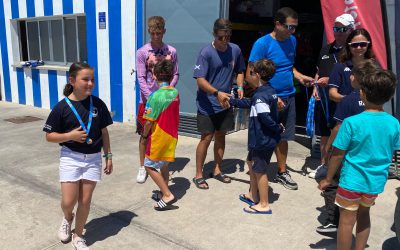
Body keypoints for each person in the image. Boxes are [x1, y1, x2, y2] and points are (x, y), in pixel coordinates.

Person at [319, 68, 400, 250]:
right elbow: (393, 150)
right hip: (375, 182)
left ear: (362, 93)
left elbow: (338, 154)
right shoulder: (394, 123)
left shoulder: (351, 123)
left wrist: (328, 178)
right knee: (364, 215)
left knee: (346, 222)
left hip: (351, 181)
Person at [43, 62, 113, 249]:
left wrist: (108, 156)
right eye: (85, 79)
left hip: (93, 159)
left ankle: (78, 235)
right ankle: (68, 218)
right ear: (72, 80)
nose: (90, 83)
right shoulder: (61, 107)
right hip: (70, 157)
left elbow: (104, 132)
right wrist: (69, 136)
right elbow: (49, 136)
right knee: (68, 201)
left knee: (85, 200)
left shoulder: (97, 104)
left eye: (92, 80)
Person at [245, 7, 314, 190]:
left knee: (283, 137)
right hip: (269, 100)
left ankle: (282, 172)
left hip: (289, 96)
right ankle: (258, 173)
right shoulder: (262, 43)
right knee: (265, 138)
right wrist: (270, 97)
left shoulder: (292, 41)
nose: (293, 31)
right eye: (290, 27)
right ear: (277, 24)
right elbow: (250, 76)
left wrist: (299, 76)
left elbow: (289, 67)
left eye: (295, 27)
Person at [316, 60, 379, 234]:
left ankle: (333, 220)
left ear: (356, 79)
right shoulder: (376, 103)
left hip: (346, 155)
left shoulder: (349, 99)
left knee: (329, 181)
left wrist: (328, 147)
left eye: (352, 73)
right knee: (361, 204)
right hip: (366, 157)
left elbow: (337, 128)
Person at [192, 18, 246, 189]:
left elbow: (240, 70)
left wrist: (239, 86)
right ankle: (199, 174)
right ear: (214, 34)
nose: (225, 40)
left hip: (225, 103)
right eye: (221, 37)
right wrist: (216, 93)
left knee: (221, 135)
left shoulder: (235, 50)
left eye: (228, 37)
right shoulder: (206, 53)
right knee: (207, 137)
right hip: (207, 103)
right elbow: (200, 81)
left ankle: (217, 170)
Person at [231, 59, 284, 213]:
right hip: (261, 139)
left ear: (258, 75)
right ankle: (252, 195)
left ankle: (264, 204)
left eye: (252, 73)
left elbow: (265, 118)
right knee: (250, 162)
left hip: (262, 139)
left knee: (260, 171)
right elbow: (251, 104)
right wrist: (232, 101)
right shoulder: (269, 90)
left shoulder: (261, 95)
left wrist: (277, 128)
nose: (250, 75)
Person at [308, 13, 355, 179]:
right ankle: (324, 166)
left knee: (343, 135)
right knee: (324, 134)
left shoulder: (353, 51)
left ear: (350, 30)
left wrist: (331, 80)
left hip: (344, 101)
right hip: (324, 100)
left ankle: (342, 170)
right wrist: (315, 86)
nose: (338, 32)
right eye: (336, 28)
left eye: (342, 29)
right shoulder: (325, 49)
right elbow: (319, 71)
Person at [136, 16, 179, 184]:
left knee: (162, 134)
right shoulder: (142, 52)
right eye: (153, 33)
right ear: (149, 32)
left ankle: (161, 165)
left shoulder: (172, 51)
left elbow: (175, 73)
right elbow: (140, 77)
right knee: (144, 133)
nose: (156, 37)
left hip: (166, 99)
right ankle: (142, 166)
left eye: (159, 33)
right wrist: (151, 97)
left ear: (164, 32)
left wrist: (168, 92)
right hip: (147, 100)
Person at [141, 60, 180, 211]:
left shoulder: (154, 97)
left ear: (154, 76)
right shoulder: (175, 93)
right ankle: (164, 189)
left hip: (159, 136)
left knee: (149, 166)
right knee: (164, 164)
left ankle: (167, 194)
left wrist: (144, 136)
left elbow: (148, 122)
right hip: (172, 136)